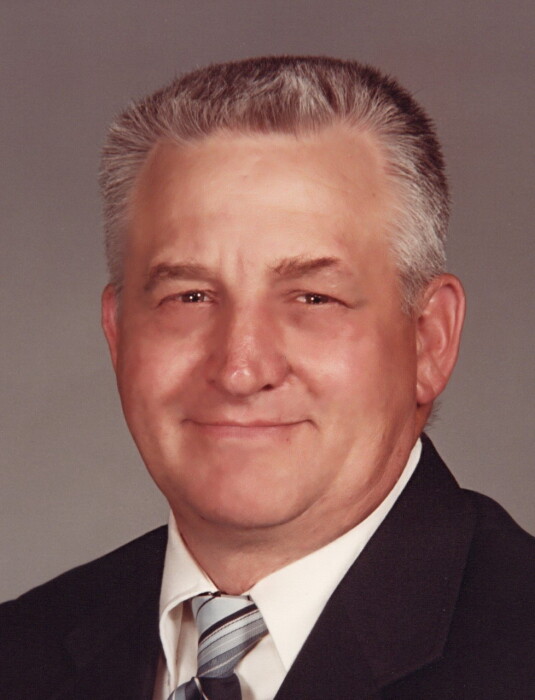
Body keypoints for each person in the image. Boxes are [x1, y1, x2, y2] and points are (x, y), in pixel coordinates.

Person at [1, 55, 534, 699]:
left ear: (428, 339)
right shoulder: (19, 652)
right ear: (118, 333)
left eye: (313, 298)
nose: (240, 369)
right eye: (189, 296)